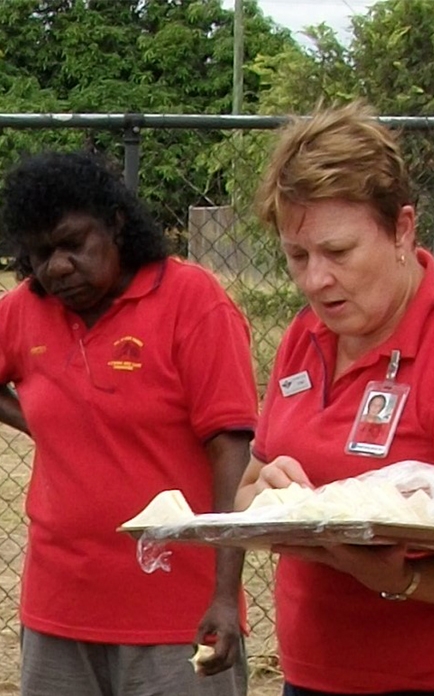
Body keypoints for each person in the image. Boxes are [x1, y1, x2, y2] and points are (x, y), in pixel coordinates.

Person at [235, 101, 434, 696]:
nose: (314, 279)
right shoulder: (305, 335)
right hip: (311, 676)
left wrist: (398, 580)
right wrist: (269, 499)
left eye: (338, 252)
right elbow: (246, 488)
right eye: (298, 256)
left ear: (402, 228)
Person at [0, 151, 258, 696]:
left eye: (74, 244)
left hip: (176, 617)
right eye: (41, 254)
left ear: (116, 223)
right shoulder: (26, 310)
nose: (59, 267)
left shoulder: (192, 302)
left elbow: (231, 453)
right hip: (58, 613)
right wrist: (49, 426)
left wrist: (225, 595)